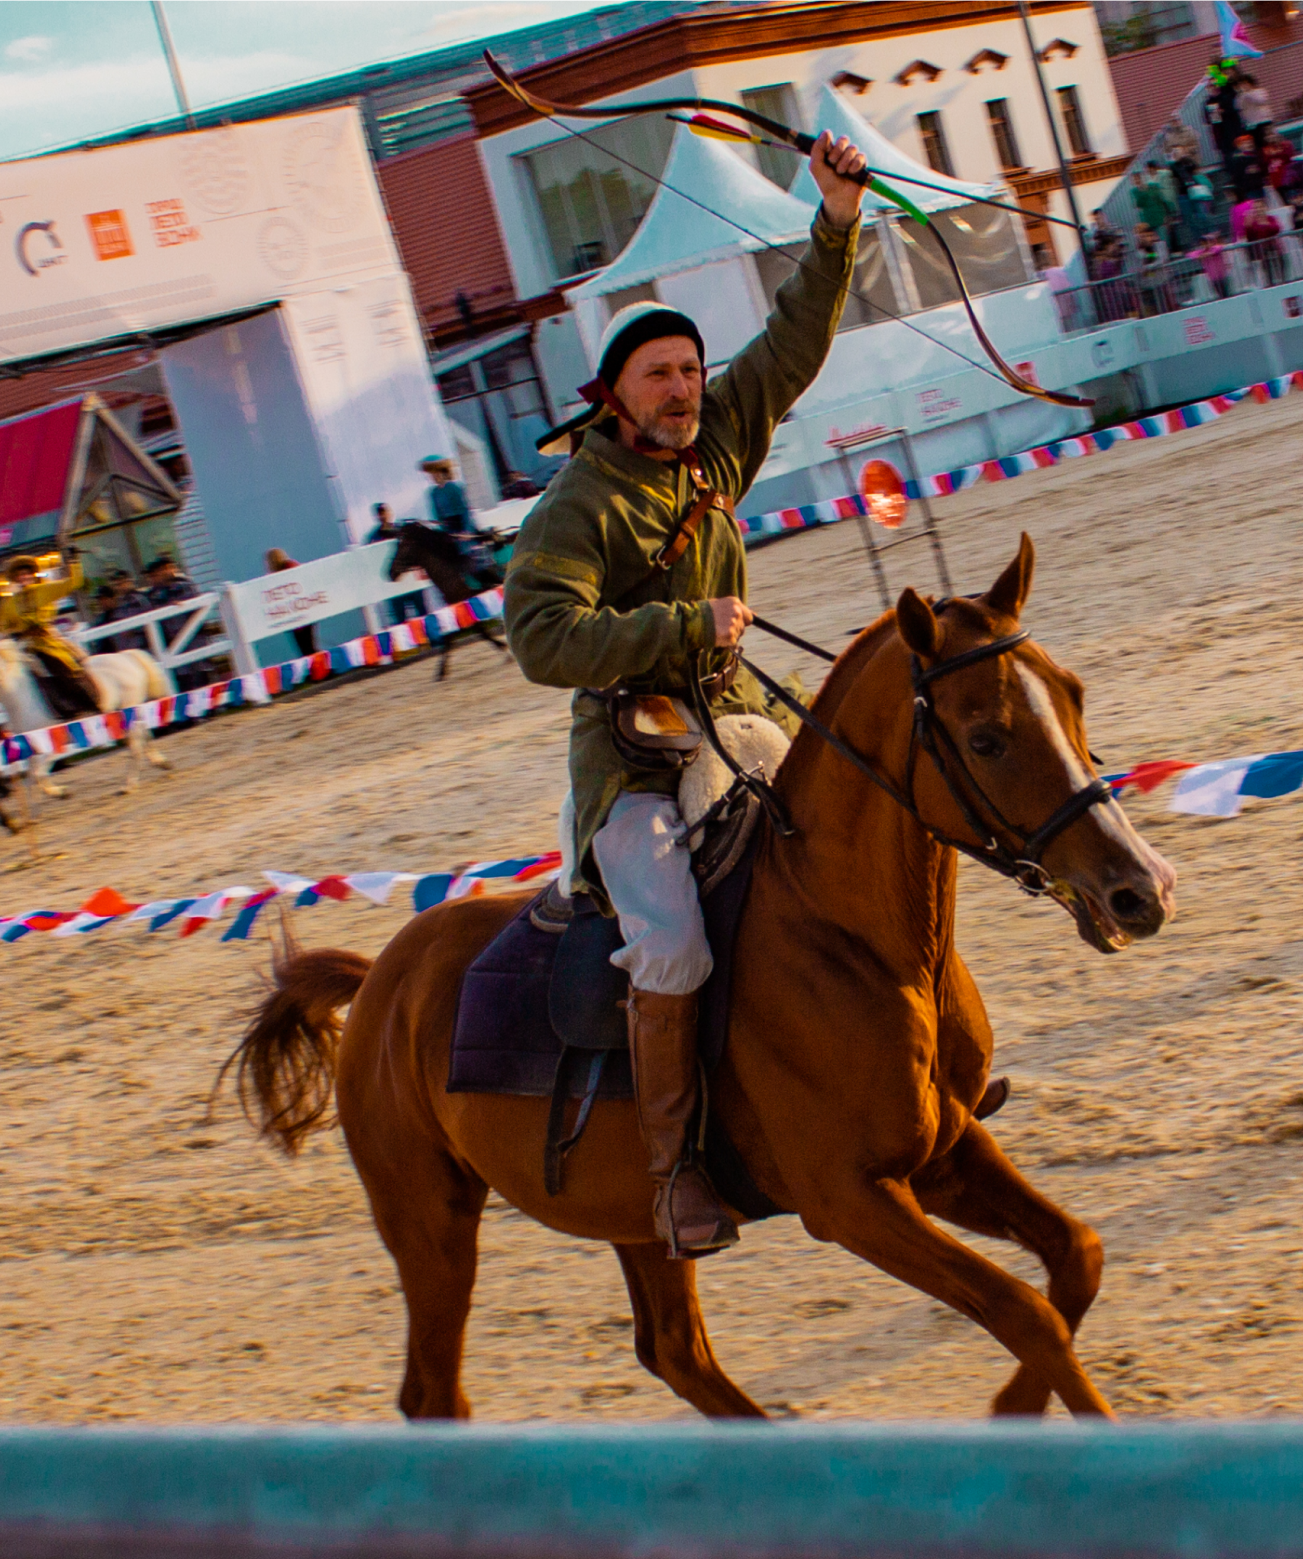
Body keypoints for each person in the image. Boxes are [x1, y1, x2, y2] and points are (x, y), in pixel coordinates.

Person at [501, 128, 867, 1259]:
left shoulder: (714, 447)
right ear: (613, 396)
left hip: (737, 718)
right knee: (674, 948)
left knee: (843, 844)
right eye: (659, 373)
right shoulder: (576, 504)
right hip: (629, 762)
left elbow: (792, 341)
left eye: (690, 370)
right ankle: (671, 1174)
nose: (683, 386)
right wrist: (678, 623)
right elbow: (539, 635)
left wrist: (837, 218)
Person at [0, 556, 101, 718]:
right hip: (23, 646)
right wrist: (12, 634)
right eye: (20, 575)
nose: (24, 578)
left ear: (32, 575)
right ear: (15, 579)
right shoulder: (8, 604)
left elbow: (73, 583)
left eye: (26, 574)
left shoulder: (45, 590)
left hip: (47, 642)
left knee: (58, 664)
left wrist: (73, 563)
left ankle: (86, 702)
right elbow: (1, 627)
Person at [266, 547, 319, 660]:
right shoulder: (287, 567)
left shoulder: (287, 567)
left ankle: (320, 669)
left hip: (302, 615)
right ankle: (318, 669)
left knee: (307, 648)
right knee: (306, 648)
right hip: (297, 617)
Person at [421, 455, 473, 535]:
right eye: (432, 474)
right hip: (447, 530)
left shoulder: (454, 487)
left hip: (461, 528)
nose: (434, 476)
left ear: (444, 473)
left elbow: (465, 511)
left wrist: (467, 531)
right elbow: (437, 514)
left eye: (436, 473)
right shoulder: (433, 492)